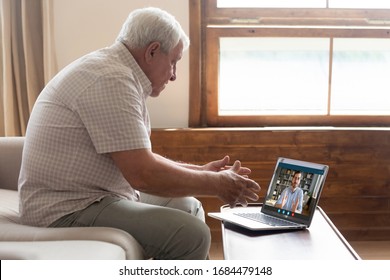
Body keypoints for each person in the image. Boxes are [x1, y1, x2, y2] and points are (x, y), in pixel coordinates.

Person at [18, 7, 261, 260]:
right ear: (152, 51)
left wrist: (201, 172)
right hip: (66, 209)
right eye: (174, 61)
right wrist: (218, 184)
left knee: (188, 206)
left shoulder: (114, 71)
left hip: (92, 194)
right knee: (191, 234)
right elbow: (143, 174)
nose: (174, 74)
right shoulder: (111, 80)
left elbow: (142, 159)